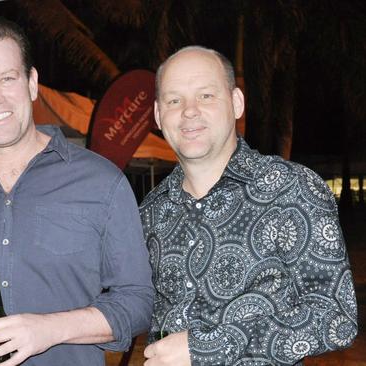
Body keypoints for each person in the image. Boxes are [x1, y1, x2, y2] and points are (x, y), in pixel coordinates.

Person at [0, 16, 154, 365]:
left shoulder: (101, 182)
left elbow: (139, 300)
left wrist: (51, 329)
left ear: (32, 83)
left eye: (6, 79)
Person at [140, 46, 358, 365]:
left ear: (237, 103)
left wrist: (206, 347)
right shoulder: (150, 211)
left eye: (206, 95)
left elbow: (337, 318)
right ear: (159, 116)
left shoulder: (290, 189)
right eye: (174, 100)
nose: (188, 111)